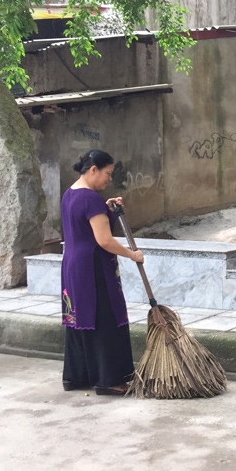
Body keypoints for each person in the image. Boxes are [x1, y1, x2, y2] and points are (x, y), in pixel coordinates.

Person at [61, 150, 144, 396]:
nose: (109, 179)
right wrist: (132, 254)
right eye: (108, 173)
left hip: (73, 265)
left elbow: (83, 225)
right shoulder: (91, 199)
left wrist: (106, 207)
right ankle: (110, 380)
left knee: (79, 318)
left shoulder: (70, 194)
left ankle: (76, 376)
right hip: (94, 267)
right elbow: (104, 240)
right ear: (93, 169)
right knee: (106, 318)